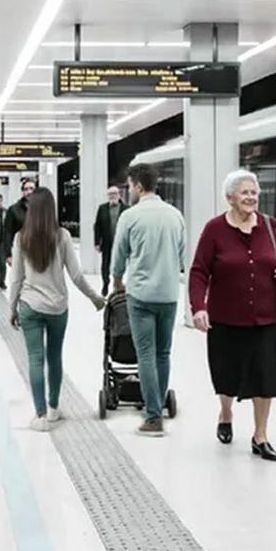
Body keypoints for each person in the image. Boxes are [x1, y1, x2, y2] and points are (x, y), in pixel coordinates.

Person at [189, 170, 276, 462]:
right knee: (227, 377)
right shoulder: (214, 230)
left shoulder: (270, 226)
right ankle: (226, 410)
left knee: (265, 379)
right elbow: (199, 271)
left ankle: (260, 436)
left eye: (254, 192)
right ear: (230, 197)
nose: (251, 198)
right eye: (244, 193)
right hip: (226, 320)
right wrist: (199, 307)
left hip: (264, 319)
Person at [8, 187, 105, 431]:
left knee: (35, 359)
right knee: (54, 356)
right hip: (57, 308)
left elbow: (16, 277)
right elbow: (76, 275)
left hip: (29, 305)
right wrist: (95, 298)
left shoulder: (21, 238)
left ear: (31, 210)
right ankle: (53, 408)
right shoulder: (62, 235)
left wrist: (12, 307)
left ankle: (39, 416)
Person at [111, 163, 186, 437]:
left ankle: (153, 416)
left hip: (140, 295)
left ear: (139, 186)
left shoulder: (130, 217)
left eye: (130, 185)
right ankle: (158, 404)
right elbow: (181, 253)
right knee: (163, 353)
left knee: (145, 354)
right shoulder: (175, 215)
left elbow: (119, 257)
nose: (129, 190)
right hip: (168, 294)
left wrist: (117, 282)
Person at [94, 185, 125, 296]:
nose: (112, 196)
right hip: (107, 242)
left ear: (119, 195)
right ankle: (105, 284)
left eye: (114, 194)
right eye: (110, 194)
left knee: (120, 264)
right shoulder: (102, 208)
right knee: (105, 265)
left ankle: (118, 285)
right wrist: (97, 242)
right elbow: (97, 226)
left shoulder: (126, 209)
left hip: (121, 243)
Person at [2, 178, 34, 266]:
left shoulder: (42, 209)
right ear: (22, 192)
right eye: (26, 189)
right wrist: (8, 255)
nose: (29, 192)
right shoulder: (13, 210)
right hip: (20, 253)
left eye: (31, 189)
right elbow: (8, 233)